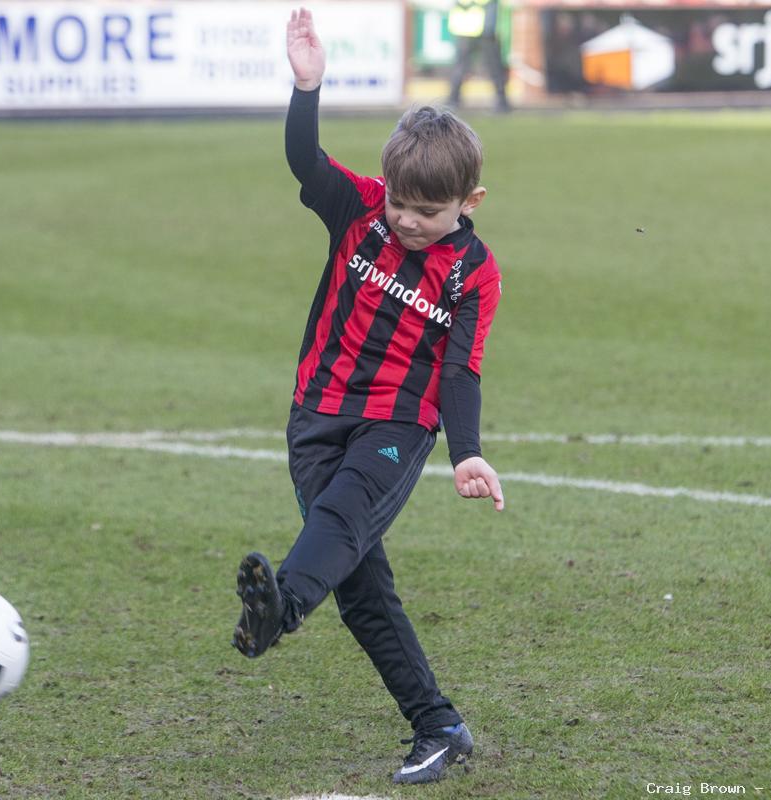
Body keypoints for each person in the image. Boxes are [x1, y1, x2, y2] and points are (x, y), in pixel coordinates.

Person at [230, 7, 505, 786]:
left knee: (342, 517)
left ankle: (279, 607)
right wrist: (306, 86)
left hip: (396, 426)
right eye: (401, 206)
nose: (410, 222)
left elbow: (460, 370)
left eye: (430, 212)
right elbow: (302, 160)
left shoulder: (471, 273)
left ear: (469, 203)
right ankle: (439, 724)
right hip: (315, 417)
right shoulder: (359, 209)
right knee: (363, 591)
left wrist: (468, 452)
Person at [447, 0, 511, 112]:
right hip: (471, 26)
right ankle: (453, 100)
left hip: (480, 26)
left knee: (493, 68)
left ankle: (502, 102)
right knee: (462, 68)